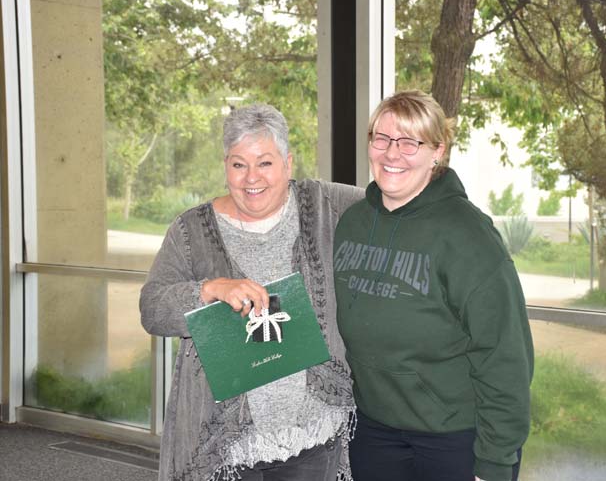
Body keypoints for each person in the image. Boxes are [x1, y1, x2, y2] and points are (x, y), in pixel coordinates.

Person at [140, 104, 363, 481]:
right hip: (224, 446)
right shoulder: (191, 231)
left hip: (314, 434)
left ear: (288, 163)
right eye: (238, 164)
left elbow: (394, 200)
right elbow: (152, 308)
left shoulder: (326, 205)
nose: (251, 178)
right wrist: (208, 290)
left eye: (265, 163)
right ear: (225, 165)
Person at [333, 90, 534, 481]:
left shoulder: (469, 236)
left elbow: (505, 358)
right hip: (374, 432)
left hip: (454, 438)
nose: (393, 154)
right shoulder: (352, 224)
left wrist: (494, 462)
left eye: (410, 142)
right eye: (382, 138)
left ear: (437, 152)